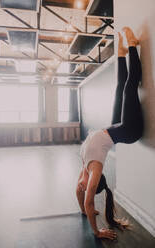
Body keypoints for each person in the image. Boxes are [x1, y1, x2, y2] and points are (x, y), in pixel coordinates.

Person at [76, 27, 143, 240]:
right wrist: (97, 231)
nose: (81, 186)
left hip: (114, 128)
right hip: (130, 131)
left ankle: (121, 53)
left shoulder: (83, 173)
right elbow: (88, 199)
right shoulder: (94, 170)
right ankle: (133, 45)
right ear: (94, 185)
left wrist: (83, 211)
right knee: (129, 89)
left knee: (118, 89)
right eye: (87, 188)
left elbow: (80, 196)